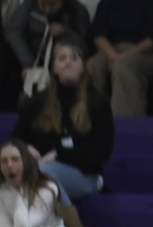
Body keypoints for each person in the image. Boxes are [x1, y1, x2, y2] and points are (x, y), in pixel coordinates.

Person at [13, 35, 114, 206]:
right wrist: (27, 149)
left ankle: (72, 225)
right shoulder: (38, 101)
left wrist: (58, 155)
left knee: (42, 174)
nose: (67, 63)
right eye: (62, 58)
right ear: (54, 67)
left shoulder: (98, 102)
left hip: (85, 174)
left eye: (74, 59)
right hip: (40, 167)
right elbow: (16, 139)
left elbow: (100, 152)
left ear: (83, 66)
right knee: (23, 175)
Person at [0, 0, 90, 113]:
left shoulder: (77, 11)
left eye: (52, 5)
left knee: (65, 59)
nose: (47, 9)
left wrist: (65, 32)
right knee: (1, 50)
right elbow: (13, 32)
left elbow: (84, 46)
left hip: (56, 59)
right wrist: (28, 65)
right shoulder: (29, 5)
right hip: (29, 56)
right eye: (43, 4)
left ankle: (30, 101)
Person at [85, 0, 153, 117]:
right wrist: (113, 55)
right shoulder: (108, 3)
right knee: (92, 65)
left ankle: (123, 125)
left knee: (124, 67)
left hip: (144, 52)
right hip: (111, 49)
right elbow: (98, 34)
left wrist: (124, 57)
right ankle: (88, 121)